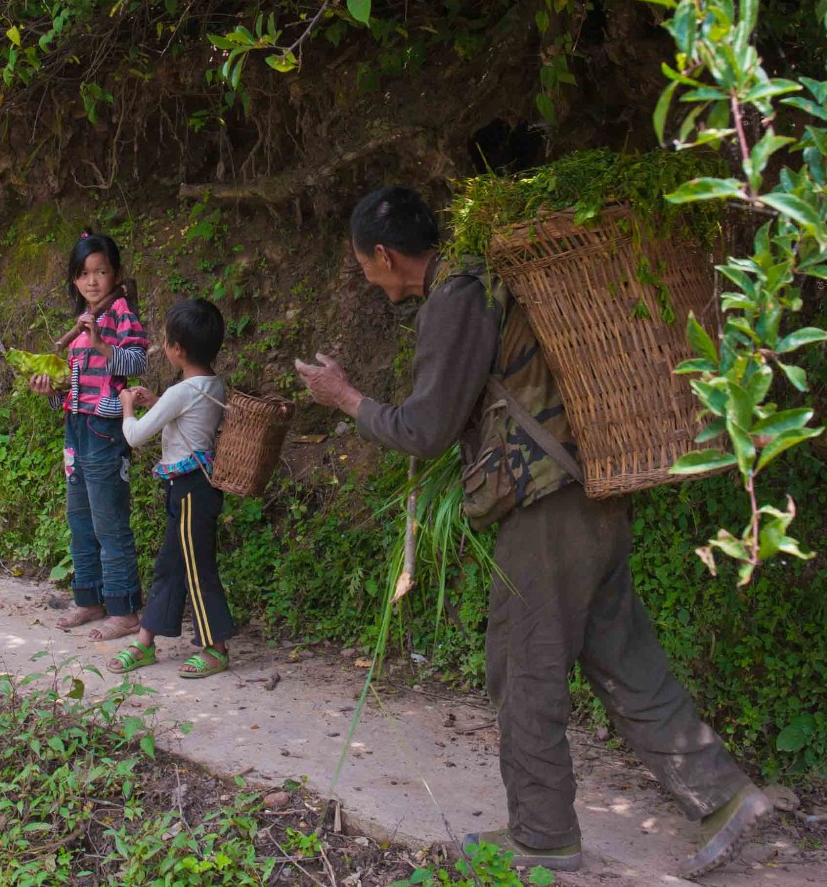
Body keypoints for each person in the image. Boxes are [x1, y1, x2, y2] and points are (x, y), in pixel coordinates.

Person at [295, 186, 771, 877]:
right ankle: (727, 795)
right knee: (625, 656)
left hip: (545, 506)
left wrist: (345, 398)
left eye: (363, 263)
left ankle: (544, 836)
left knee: (523, 668)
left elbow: (425, 430)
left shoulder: (456, 296)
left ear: (384, 254)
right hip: (593, 487)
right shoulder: (490, 274)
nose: (366, 275)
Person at [30, 233, 150, 640]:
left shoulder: (119, 314)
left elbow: (136, 360)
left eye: (101, 272)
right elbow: (74, 389)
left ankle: (125, 609)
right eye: (84, 274)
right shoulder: (80, 323)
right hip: (76, 429)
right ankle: (90, 599)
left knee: (109, 520)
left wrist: (100, 343)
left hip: (105, 429)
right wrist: (54, 392)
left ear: (115, 274)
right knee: (79, 516)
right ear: (74, 280)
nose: (93, 281)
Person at [109, 298, 236, 679]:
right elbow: (186, 416)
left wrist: (127, 407)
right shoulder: (212, 383)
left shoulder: (182, 393)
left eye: (165, 340)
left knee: (197, 569)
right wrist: (157, 401)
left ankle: (216, 648)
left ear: (176, 350)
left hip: (191, 489)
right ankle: (146, 640)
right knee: (170, 564)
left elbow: (134, 437)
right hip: (197, 487)